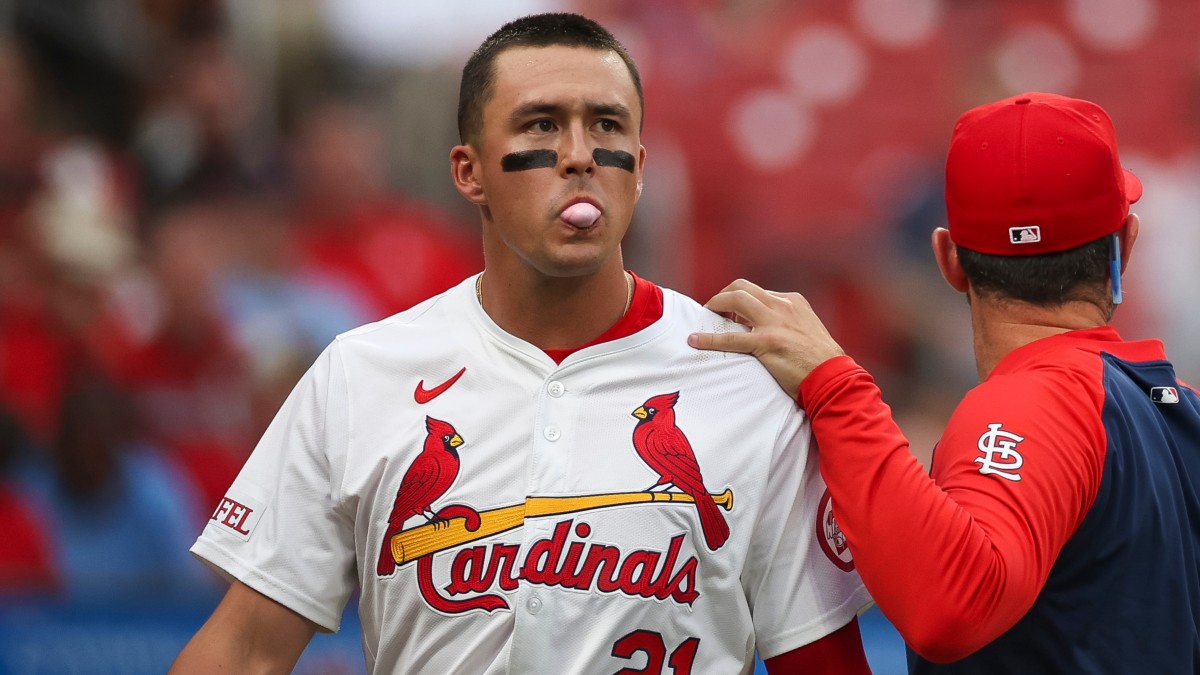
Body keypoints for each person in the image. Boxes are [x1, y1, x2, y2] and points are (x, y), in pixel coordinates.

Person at [170, 13, 872, 674]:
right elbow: (246, 649)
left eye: (606, 125)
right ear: (468, 171)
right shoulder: (363, 373)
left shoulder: (745, 385)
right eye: (542, 124)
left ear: (639, 166)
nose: (578, 156)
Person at [690, 92, 1200, 673]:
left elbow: (951, 607)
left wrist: (836, 388)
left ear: (949, 259)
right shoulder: (1181, 410)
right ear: (1125, 244)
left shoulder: (1040, 398)